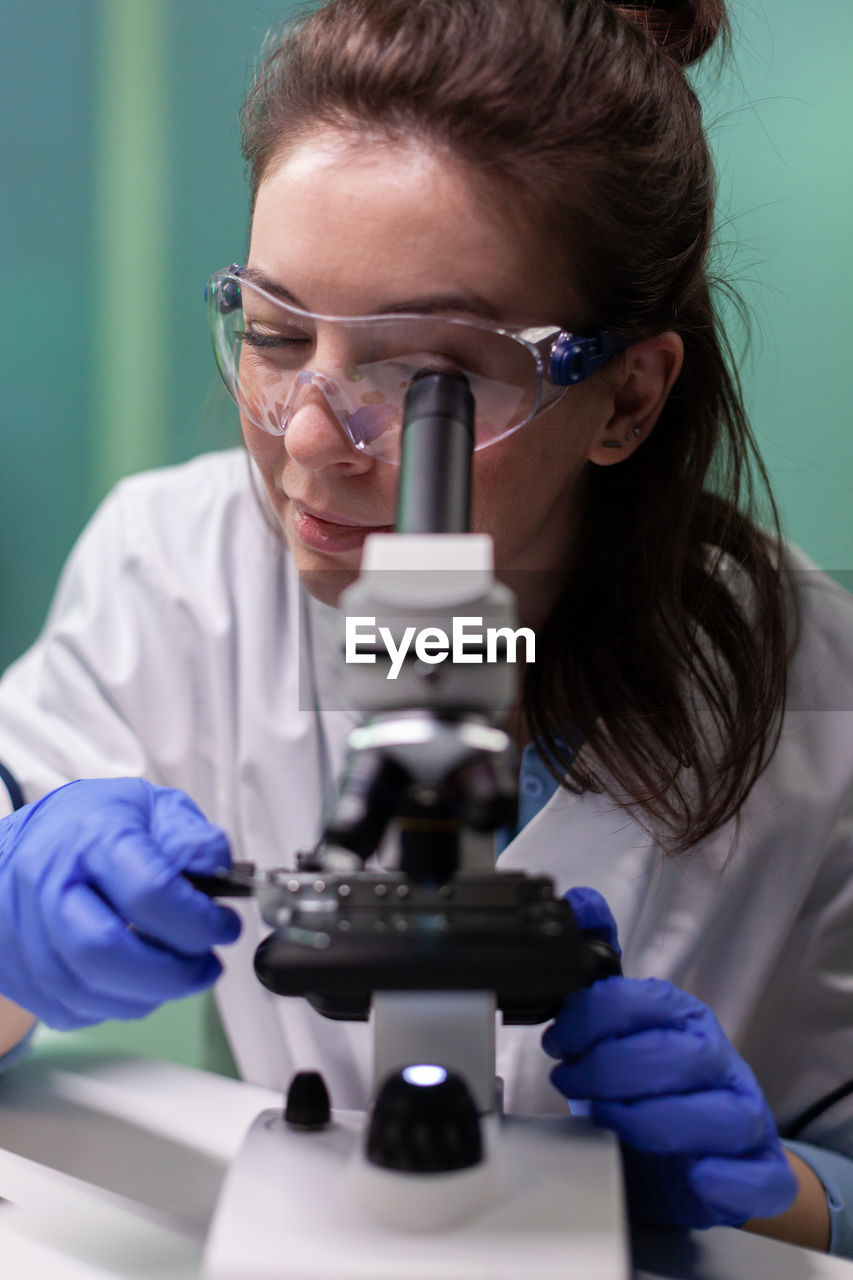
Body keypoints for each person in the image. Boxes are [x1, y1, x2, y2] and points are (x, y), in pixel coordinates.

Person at [1, 0, 852, 1255]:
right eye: (278, 334)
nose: (303, 437)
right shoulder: (173, 567)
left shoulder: (814, 685)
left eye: (423, 378)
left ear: (627, 394)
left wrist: (773, 1186)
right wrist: (15, 943)